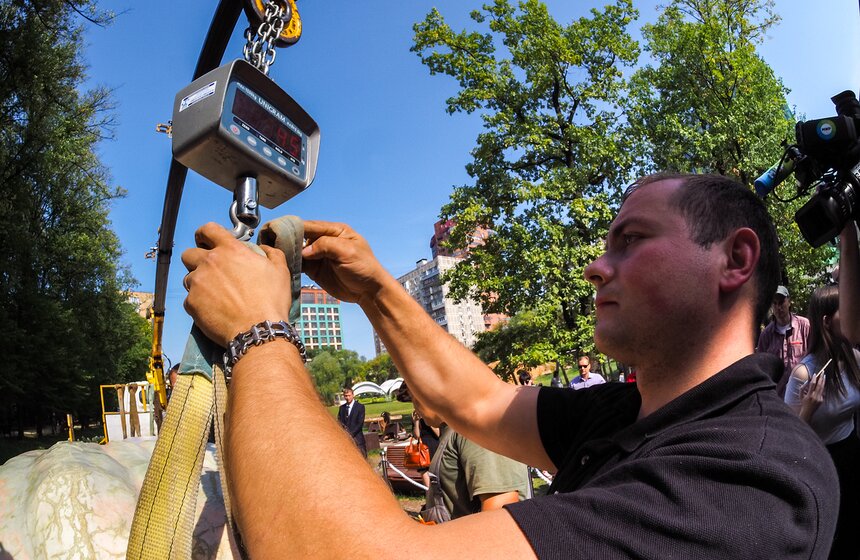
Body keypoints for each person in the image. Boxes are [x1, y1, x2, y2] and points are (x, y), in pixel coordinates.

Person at [181, 173, 838, 558]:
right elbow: (480, 403)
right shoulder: (633, 414)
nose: (595, 266)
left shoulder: (754, 476)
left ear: (735, 260)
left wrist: (258, 333)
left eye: (631, 241)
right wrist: (377, 288)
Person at [785, 284, 860, 560]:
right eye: (847, 309)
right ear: (827, 321)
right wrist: (808, 409)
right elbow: (789, 441)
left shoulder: (854, 359)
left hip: (852, 454)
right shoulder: (804, 373)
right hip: (821, 463)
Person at [398, 382, 528, 520]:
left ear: (433, 394)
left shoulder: (476, 430)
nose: (415, 408)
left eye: (414, 398)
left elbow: (500, 510)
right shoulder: (454, 430)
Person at [756, 285, 810, 396]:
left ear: (789, 302)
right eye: (774, 303)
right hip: (777, 396)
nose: (778, 307)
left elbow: (815, 356)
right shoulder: (766, 335)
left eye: (781, 302)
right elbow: (761, 367)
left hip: (803, 394)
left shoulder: (805, 326)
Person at [411, 409, 440, 488]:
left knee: (438, 468)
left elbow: (438, 434)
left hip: (435, 444)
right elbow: (417, 435)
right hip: (423, 445)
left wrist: (428, 420)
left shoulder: (434, 413)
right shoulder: (415, 413)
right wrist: (416, 422)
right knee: (423, 470)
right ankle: (429, 491)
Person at [337, 387, 367, 457]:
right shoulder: (342, 408)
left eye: (349, 395)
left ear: (353, 395)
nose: (347, 398)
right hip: (345, 441)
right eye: (346, 396)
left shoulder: (360, 407)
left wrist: (350, 434)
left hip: (358, 440)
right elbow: (339, 423)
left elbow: (360, 424)